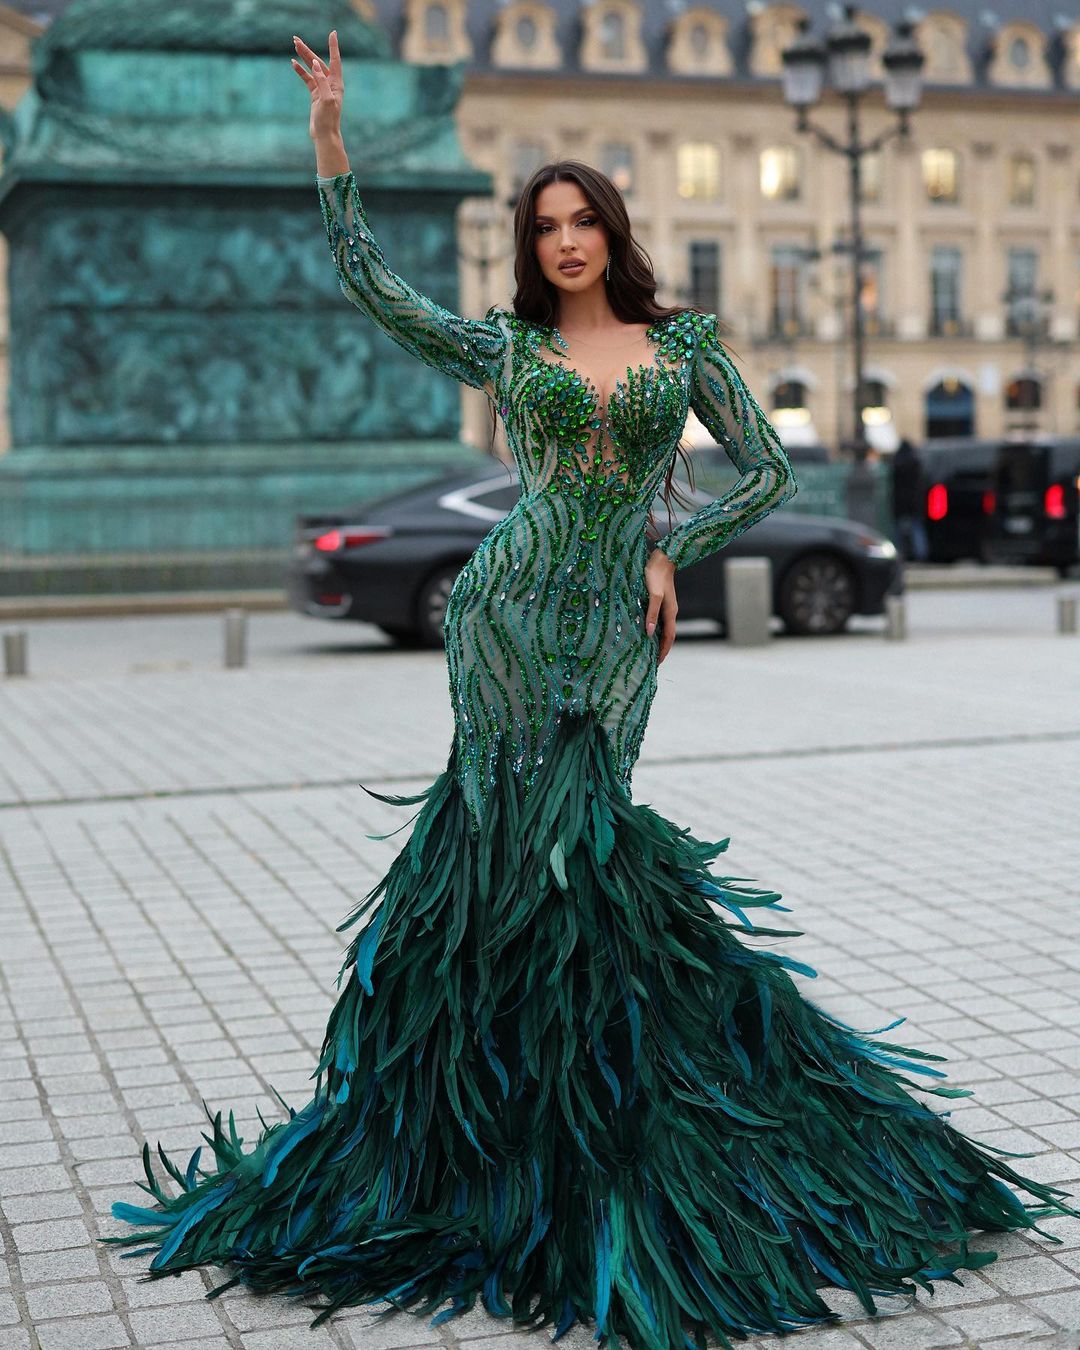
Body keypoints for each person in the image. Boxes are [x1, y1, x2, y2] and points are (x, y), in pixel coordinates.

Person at [108, 30, 1077, 1350]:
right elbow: (371, 281)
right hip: (504, 614)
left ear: (612, 230)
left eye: (582, 221)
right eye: (545, 224)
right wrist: (330, 134)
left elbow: (765, 473)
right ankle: (475, 1143)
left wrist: (676, 549)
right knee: (501, 854)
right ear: (532, 243)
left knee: (594, 859)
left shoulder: (683, 345)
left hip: (618, 627)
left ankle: (611, 1129)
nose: (565, 240)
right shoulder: (509, 348)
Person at [891, 437, 930, 562]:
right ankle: (921, 554)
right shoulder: (916, 463)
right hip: (915, 503)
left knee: (898, 532)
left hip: (900, 503)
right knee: (917, 529)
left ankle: (898, 554)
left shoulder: (897, 464)